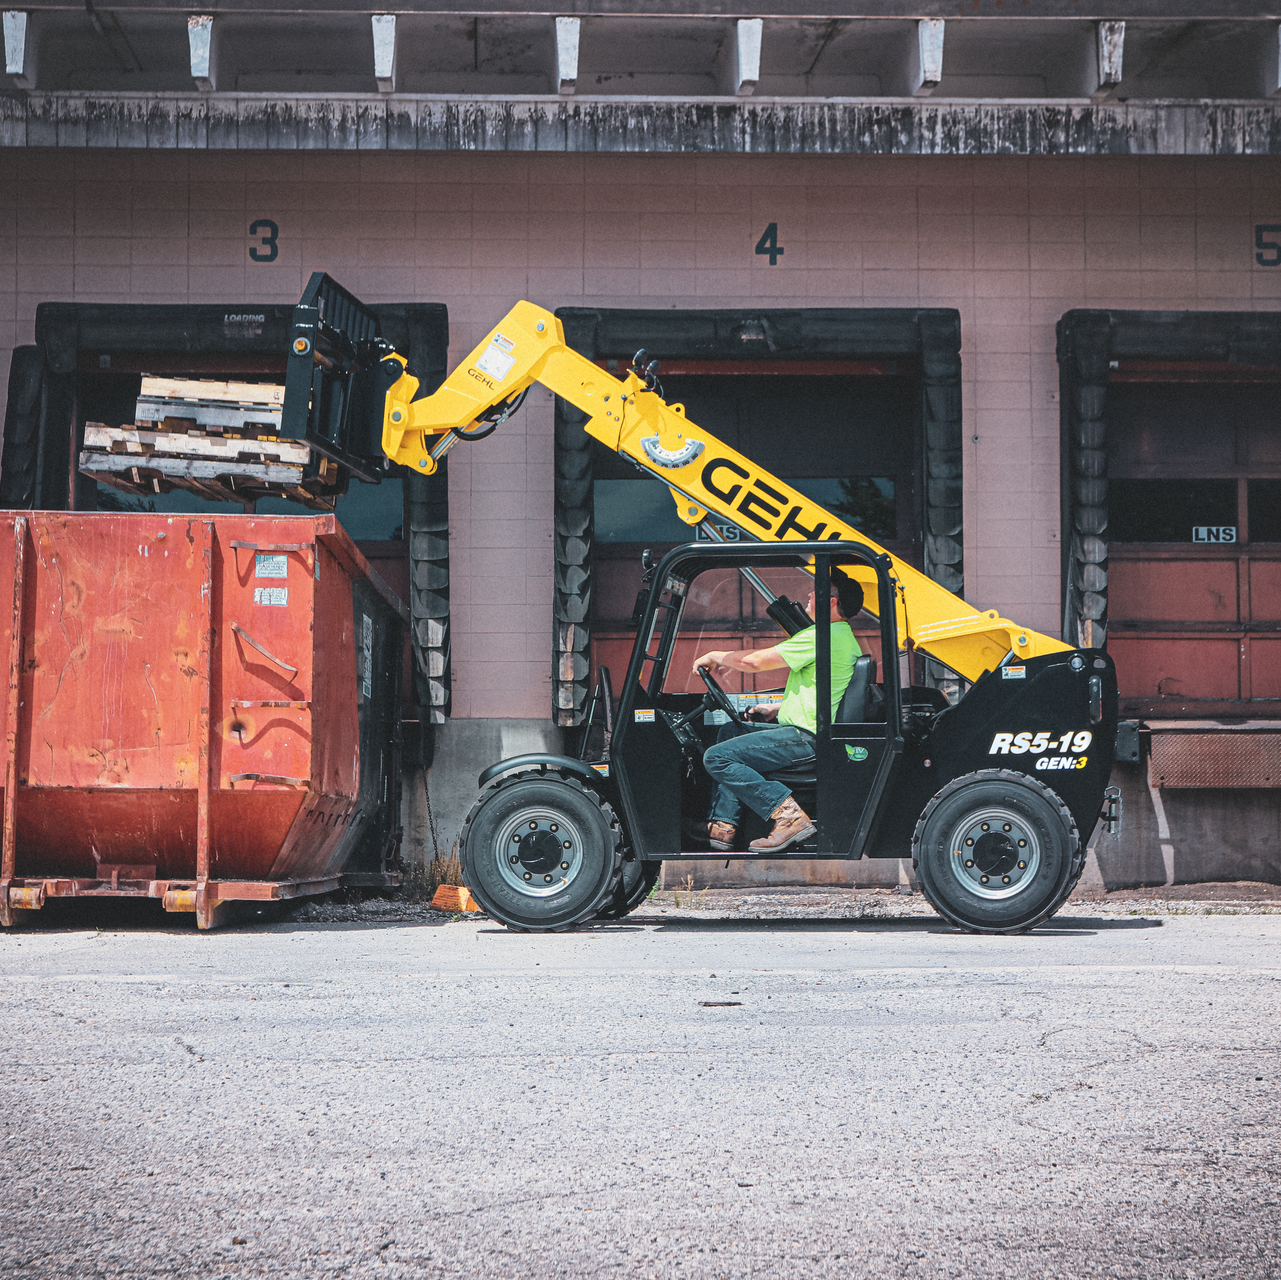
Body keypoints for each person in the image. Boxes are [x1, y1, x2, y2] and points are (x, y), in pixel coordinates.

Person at [691, 573, 864, 854]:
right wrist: (775, 709)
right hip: (804, 730)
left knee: (717, 757)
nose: (809, 594)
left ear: (830, 601)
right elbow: (822, 689)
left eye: (816, 591)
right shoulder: (840, 636)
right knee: (730, 731)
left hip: (805, 738)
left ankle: (788, 817)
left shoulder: (821, 636)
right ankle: (723, 826)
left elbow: (754, 662)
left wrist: (715, 655)